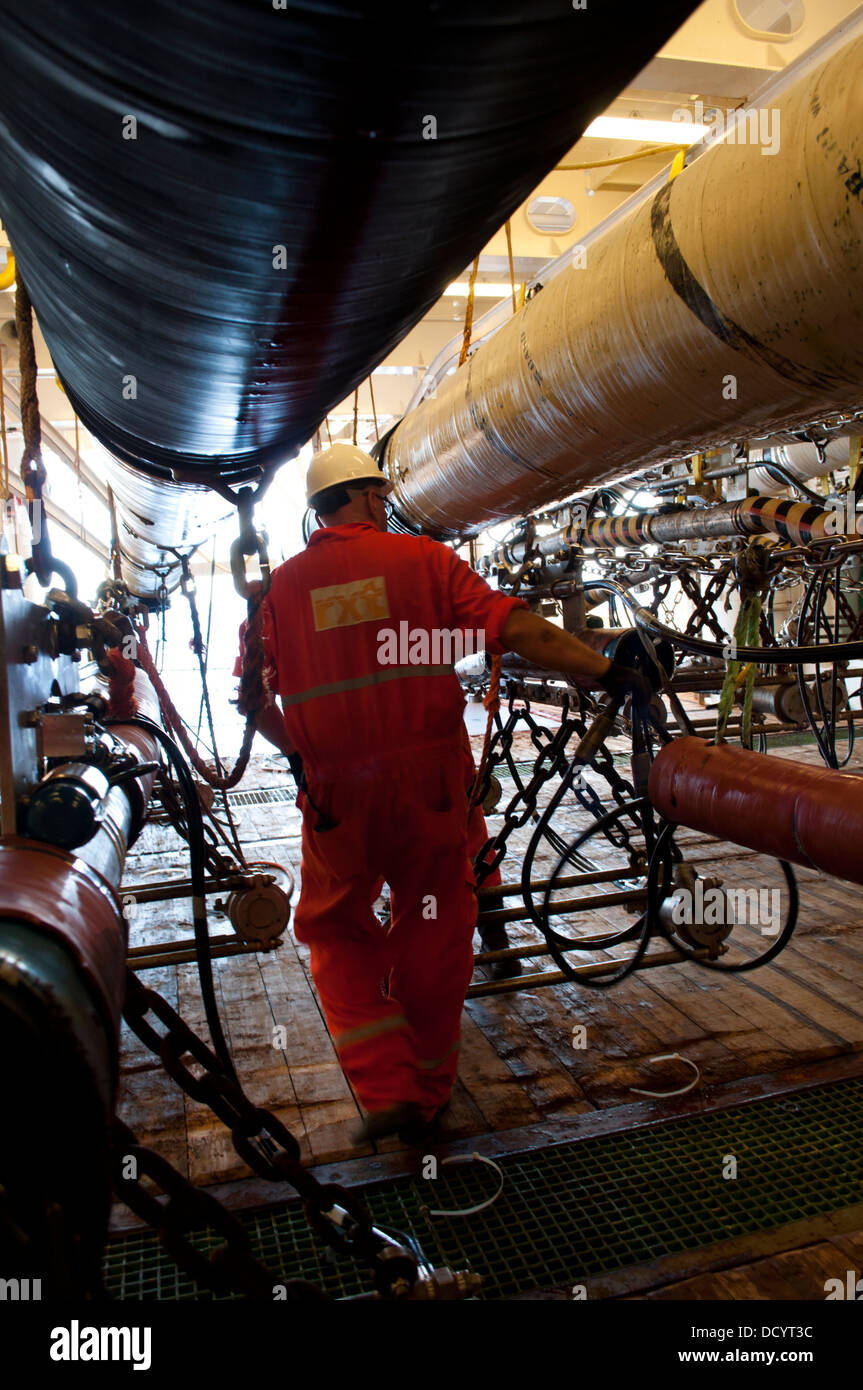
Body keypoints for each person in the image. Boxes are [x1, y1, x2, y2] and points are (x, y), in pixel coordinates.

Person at [246, 443, 649, 1145]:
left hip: (338, 793)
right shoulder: (423, 564)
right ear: (371, 498)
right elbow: (516, 628)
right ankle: (430, 1091)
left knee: (336, 929)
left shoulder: (278, 591)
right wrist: (606, 675)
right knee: (432, 926)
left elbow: (251, 701)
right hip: (429, 786)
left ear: (318, 508)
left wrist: (305, 754)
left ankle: (386, 1085)